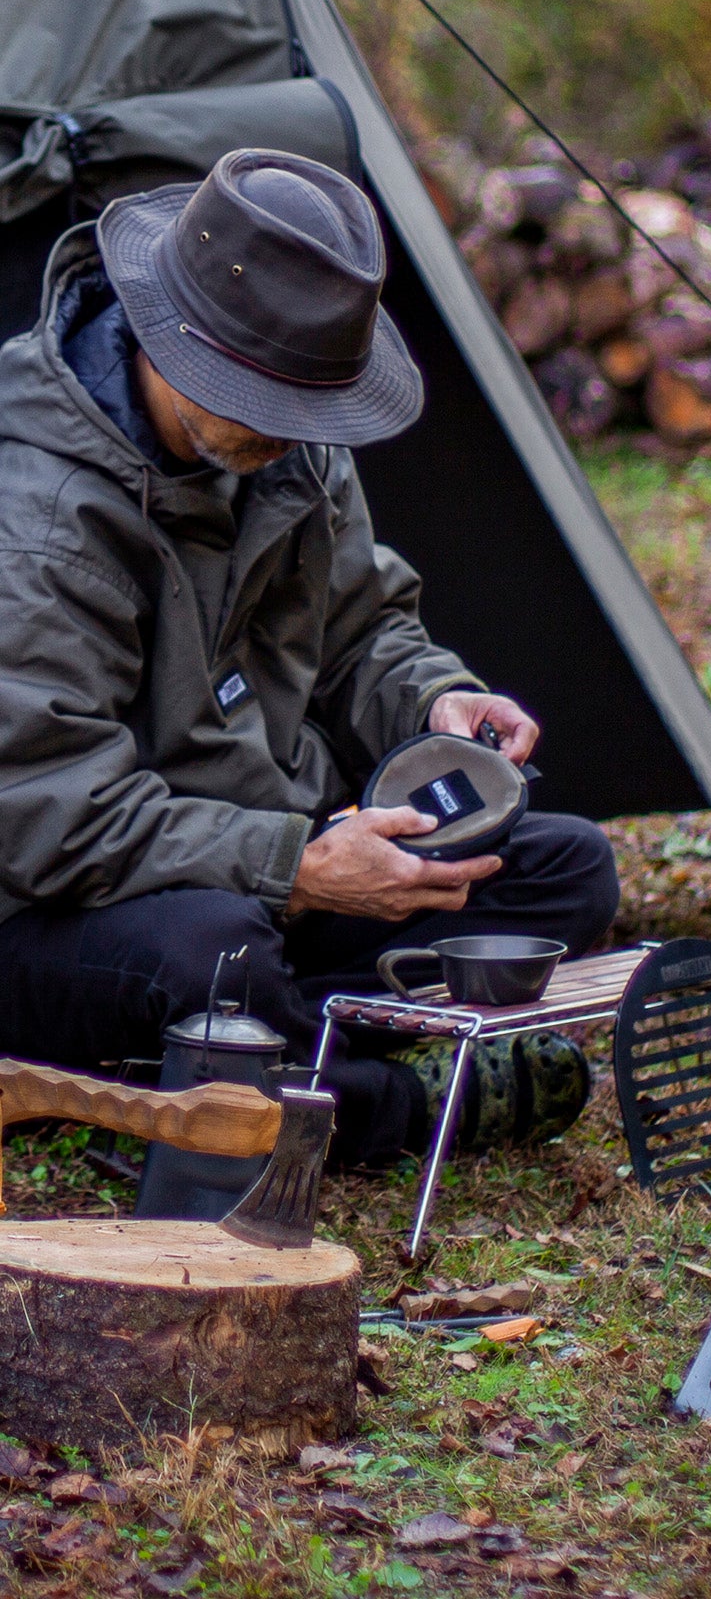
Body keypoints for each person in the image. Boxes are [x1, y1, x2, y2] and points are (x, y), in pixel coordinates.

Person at [0, 149, 619, 1164]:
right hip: (67, 908)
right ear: (177, 347)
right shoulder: (41, 524)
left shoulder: (279, 431)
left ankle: (263, 1048)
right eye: (275, 411)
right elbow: (52, 822)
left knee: (566, 872)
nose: (301, 439)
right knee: (214, 959)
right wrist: (297, 870)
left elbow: (361, 626)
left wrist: (435, 706)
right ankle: (385, 1104)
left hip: (274, 863)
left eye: (312, 412)